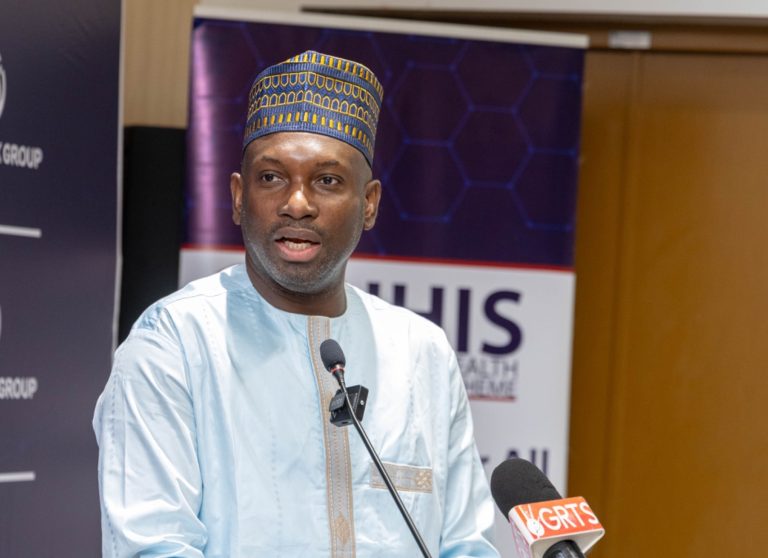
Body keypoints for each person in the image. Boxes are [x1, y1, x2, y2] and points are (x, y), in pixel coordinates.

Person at [93, 50, 499, 557]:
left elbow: (466, 543)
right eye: (271, 177)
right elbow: (152, 546)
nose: (297, 204)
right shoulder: (174, 344)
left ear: (369, 203)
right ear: (237, 197)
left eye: (327, 181)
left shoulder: (422, 352)